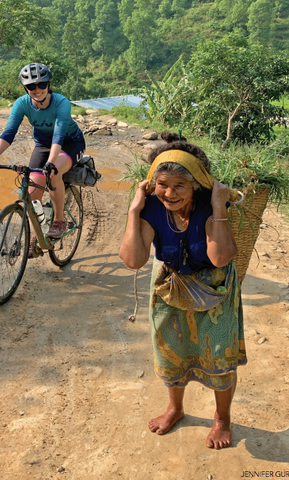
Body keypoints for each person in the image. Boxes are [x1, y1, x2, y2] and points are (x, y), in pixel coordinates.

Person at [119, 132, 247, 449]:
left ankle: (222, 419)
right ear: (152, 183)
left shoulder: (208, 206)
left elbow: (219, 256)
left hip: (214, 286)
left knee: (219, 354)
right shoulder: (150, 207)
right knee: (169, 351)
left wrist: (219, 206)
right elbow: (134, 260)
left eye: (180, 186)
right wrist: (134, 211)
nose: (169, 193)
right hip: (169, 284)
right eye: (162, 184)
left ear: (195, 187)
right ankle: (175, 408)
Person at [0, 62, 85, 241]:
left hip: (70, 143)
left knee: (54, 173)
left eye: (42, 84)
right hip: (43, 144)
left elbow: (59, 136)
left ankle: (59, 219)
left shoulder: (61, 103)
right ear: (25, 88)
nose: (37, 90)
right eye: (31, 86)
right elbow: (9, 133)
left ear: (48, 85)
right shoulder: (22, 104)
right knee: (33, 192)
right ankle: (35, 238)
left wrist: (51, 163)